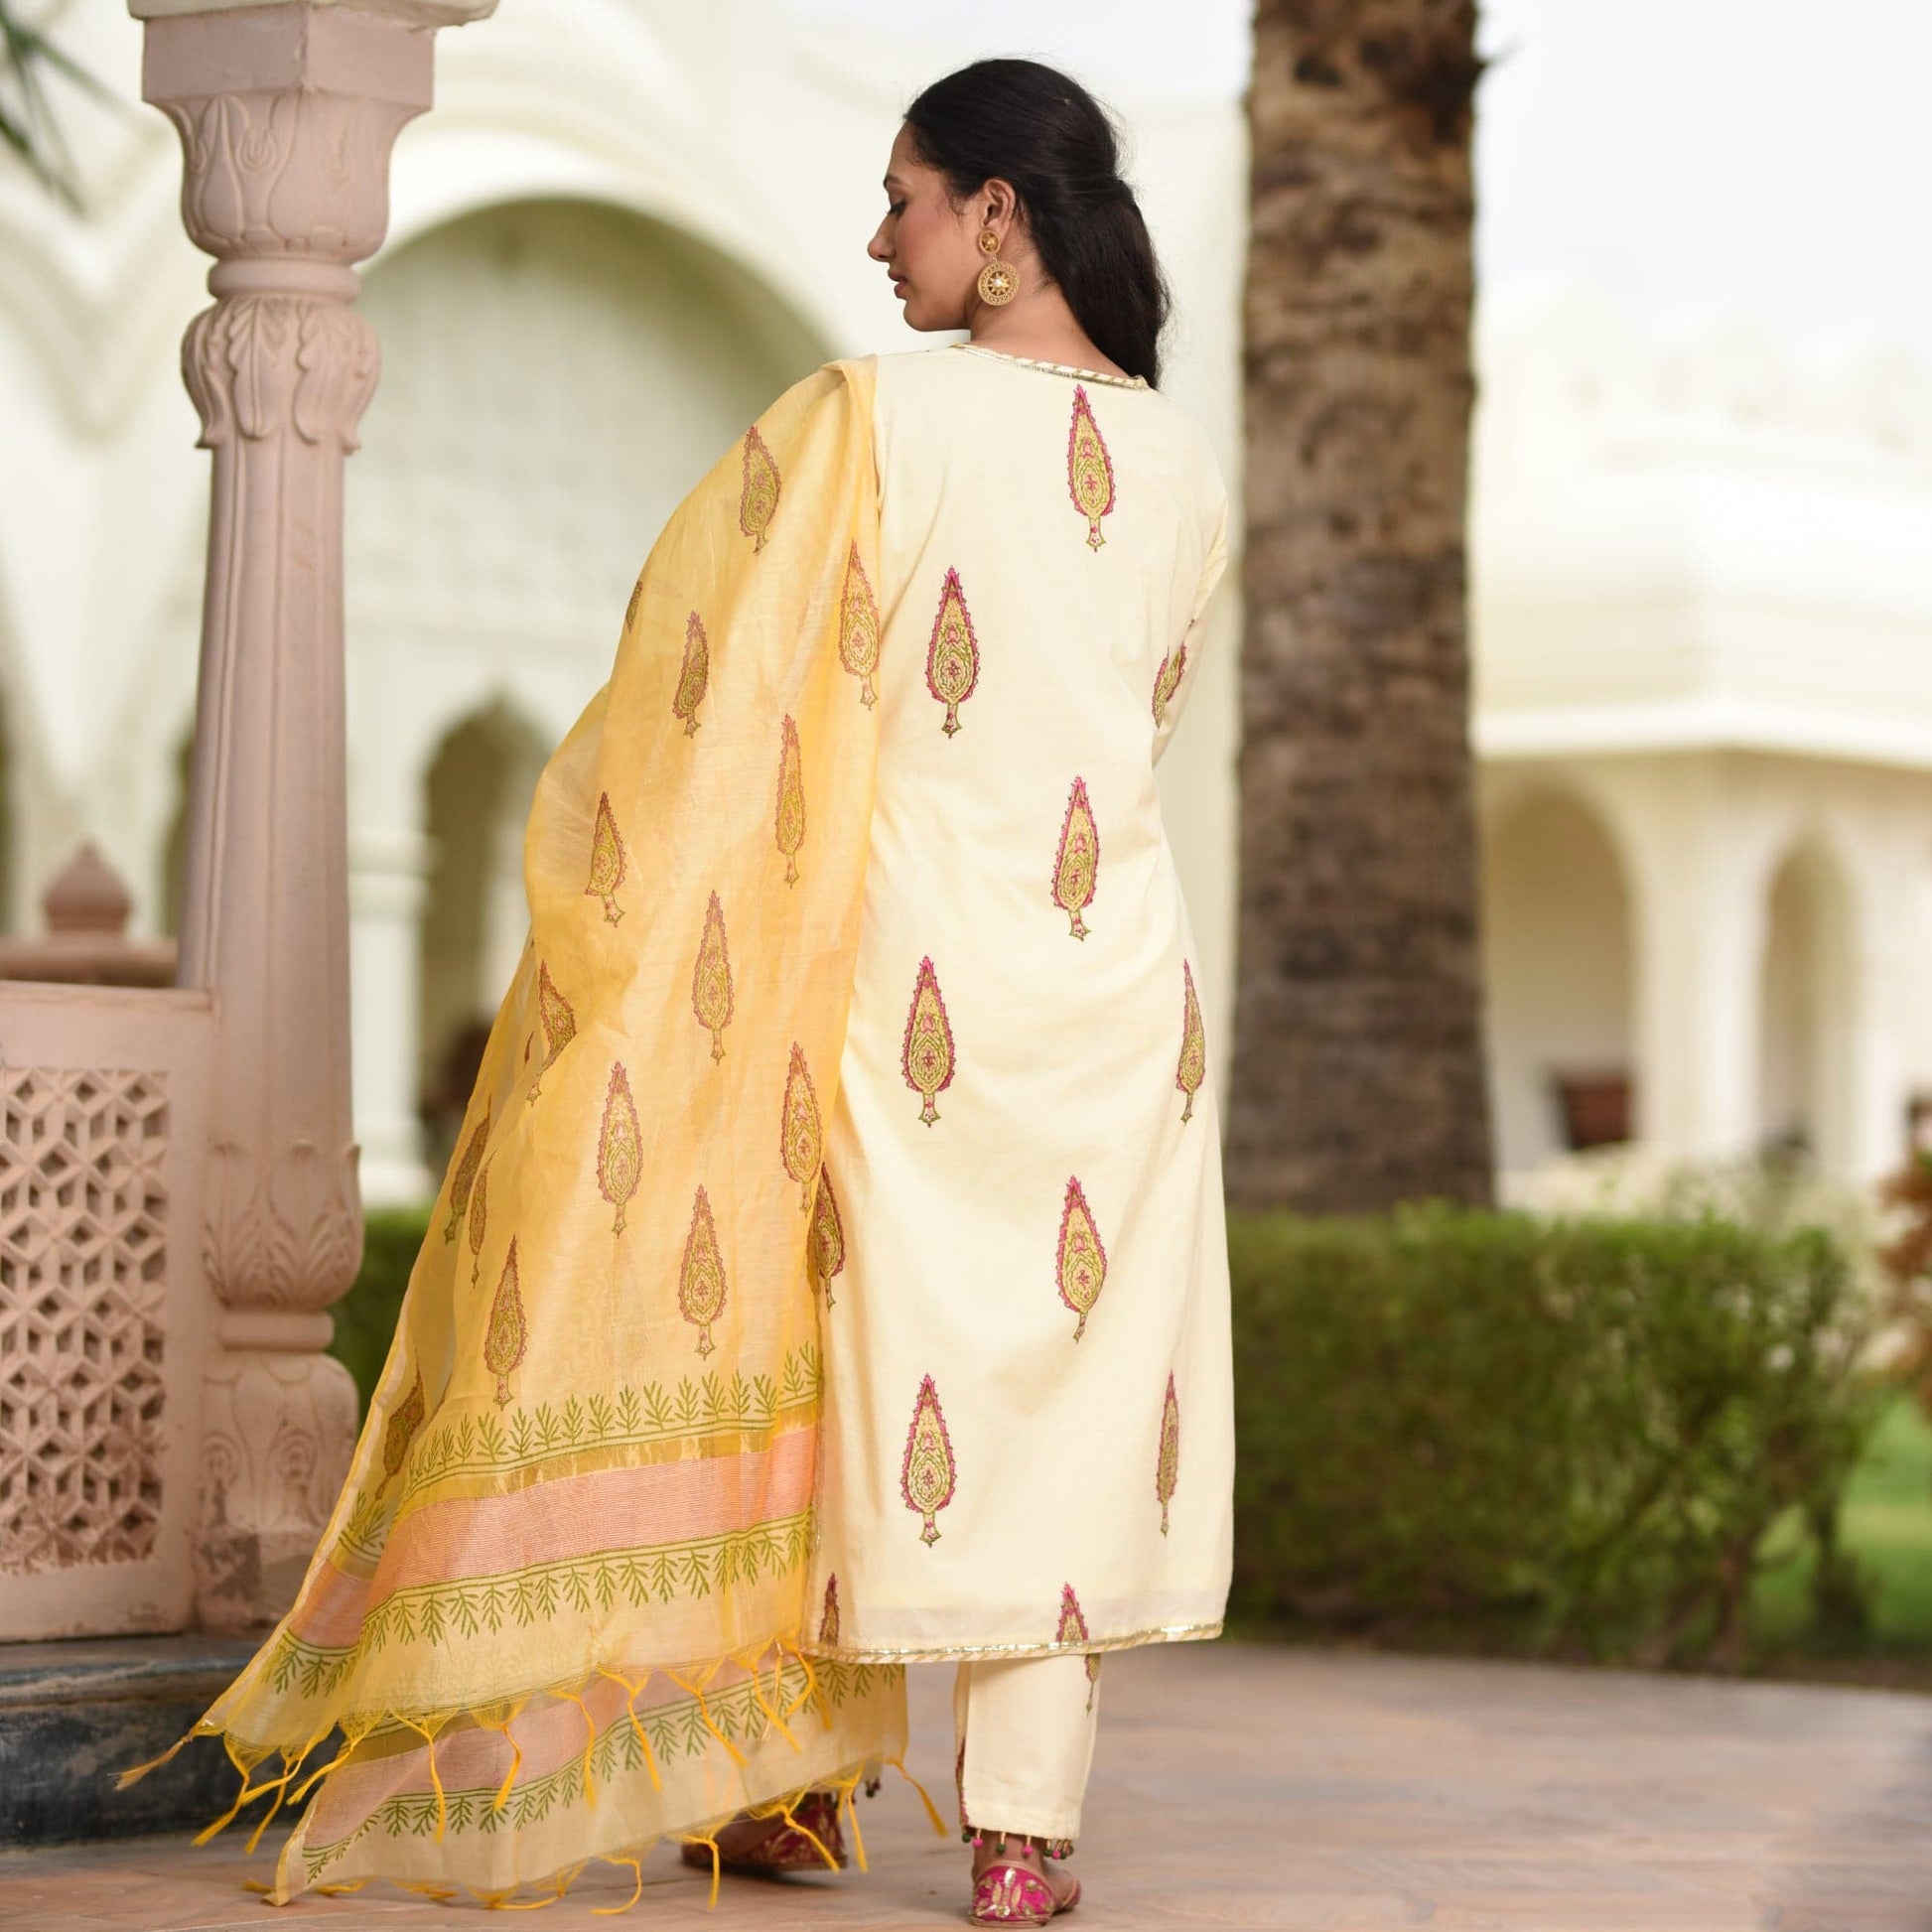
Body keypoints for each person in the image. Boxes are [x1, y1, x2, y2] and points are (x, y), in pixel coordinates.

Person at [124, 56, 1232, 1929]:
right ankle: (1019, 1839)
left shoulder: (868, 421)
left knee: (815, 1356)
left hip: (897, 974)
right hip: (1117, 996)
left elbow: (707, 688)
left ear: (998, 216)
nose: (876, 238)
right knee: (1049, 1393)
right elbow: (1125, 731)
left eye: (902, 198)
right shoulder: (1186, 468)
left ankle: (776, 1777)